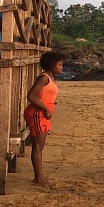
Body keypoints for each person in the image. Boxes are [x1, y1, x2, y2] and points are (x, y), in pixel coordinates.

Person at [23, 51, 65, 187]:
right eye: (59, 65)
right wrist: (46, 108)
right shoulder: (44, 78)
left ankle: (39, 176)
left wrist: (50, 105)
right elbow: (31, 96)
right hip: (37, 113)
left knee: (40, 146)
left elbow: (45, 95)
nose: (61, 68)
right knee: (37, 146)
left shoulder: (50, 77)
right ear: (52, 65)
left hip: (42, 113)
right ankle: (38, 178)